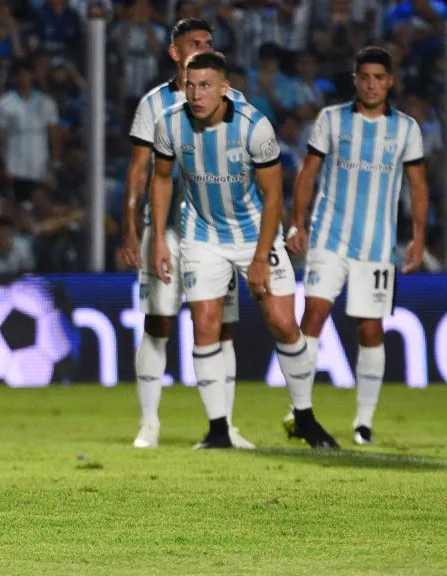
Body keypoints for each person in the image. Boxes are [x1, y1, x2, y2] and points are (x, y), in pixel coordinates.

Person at [150, 52, 338, 449]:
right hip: (201, 233)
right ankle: (218, 430)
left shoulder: (254, 126)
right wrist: (158, 242)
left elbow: (273, 197)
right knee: (205, 325)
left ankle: (303, 416)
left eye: (205, 86)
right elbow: (163, 179)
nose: (197, 94)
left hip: (257, 233)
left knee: (285, 324)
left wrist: (257, 259)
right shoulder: (169, 124)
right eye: (191, 85)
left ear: (223, 89)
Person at [284, 47, 428, 446]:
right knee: (312, 315)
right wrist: (298, 223)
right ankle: (300, 410)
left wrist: (417, 237)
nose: (371, 84)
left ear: (390, 81)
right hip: (329, 236)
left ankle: (363, 422)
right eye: (364, 76)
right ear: (355, 80)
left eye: (378, 77)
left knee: (371, 328)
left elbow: (417, 185)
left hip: (378, 246)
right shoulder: (331, 119)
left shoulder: (406, 129)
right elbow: (307, 173)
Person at [119, 19, 249, 449]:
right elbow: (138, 174)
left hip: (218, 232)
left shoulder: (234, 101)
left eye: (208, 43)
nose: (202, 48)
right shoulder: (154, 104)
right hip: (168, 231)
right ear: (175, 53)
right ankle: (149, 423)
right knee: (159, 322)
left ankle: (224, 425)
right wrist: (130, 228)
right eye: (194, 43)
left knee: (222, 326)